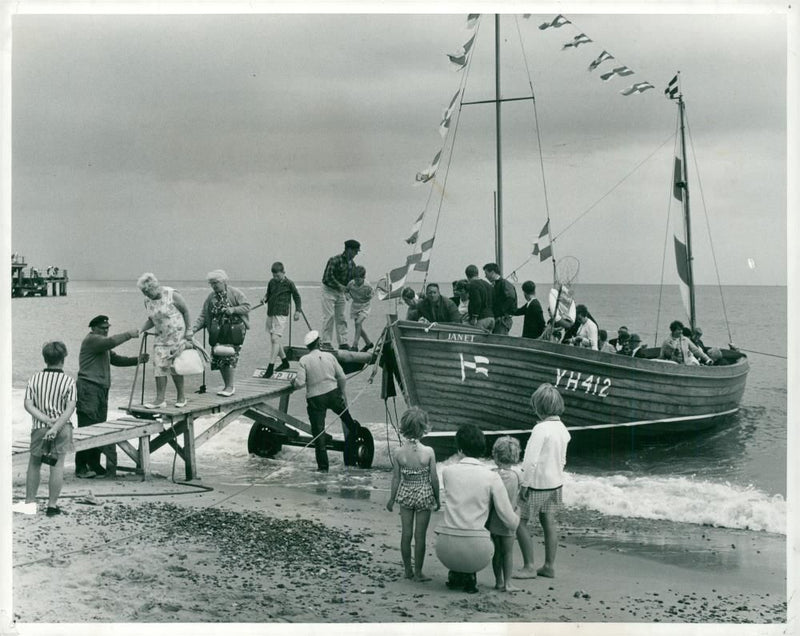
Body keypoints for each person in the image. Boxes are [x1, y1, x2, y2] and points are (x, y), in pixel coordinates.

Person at [435, 423, 519, 594]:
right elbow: (508, 520)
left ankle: (457, 573)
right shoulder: (491, 477)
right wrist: (518, 515)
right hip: (478, 552)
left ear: (459, 449)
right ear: (482, 449)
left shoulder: (447, 472)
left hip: (444, 549)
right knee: (481, 531)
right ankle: (469, 574)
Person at [75, 315, 146, 478]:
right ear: (93, 328)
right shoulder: (93, 340)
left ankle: (94, 464)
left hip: (100, 389)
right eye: (102, 328)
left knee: (98, 427)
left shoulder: (102, 345)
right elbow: (111, 342)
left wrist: (138, 360)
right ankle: (81, 467)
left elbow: (116, 359)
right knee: (87, 428)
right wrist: (129, 334)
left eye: (107, 328)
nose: (106, 331)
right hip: (88, 388)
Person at [12, 342, 77, 516]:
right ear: (63, 358)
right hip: (62, 428)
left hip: (40, 427)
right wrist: (55, 426)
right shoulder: (69, 381)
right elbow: (70, 409)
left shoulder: (35, 378)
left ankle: (30, 503)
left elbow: (28, 404)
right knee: (57, 466)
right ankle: (52, 506)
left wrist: (46, 420)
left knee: (34, 464)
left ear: (45, 358)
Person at [519, 383, 571, 579]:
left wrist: (524, 483)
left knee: (519, 522)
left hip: (537, 484)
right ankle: (549, 566)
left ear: (539, 408)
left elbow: (530, 460)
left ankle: (529, 566)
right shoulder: (563, 429)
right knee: (548, 522)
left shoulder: (540, 429)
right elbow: (563, 460)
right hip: (556, 484)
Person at [292, 330, 360, 471]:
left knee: (319, 434)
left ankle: (323, 469)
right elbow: (341, 377)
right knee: (348, 421)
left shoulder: (304, 360)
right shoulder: (329, 356)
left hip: (316, 399)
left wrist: (293, 382)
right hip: (332, 394)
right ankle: (352, 447)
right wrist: (341, 392)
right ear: (319, 343)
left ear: (307, 347)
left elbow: (299, 383)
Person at [386, 407, 441, 582]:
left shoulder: (398, 452)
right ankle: (418, 572)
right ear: (424, 428)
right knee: (420, 536)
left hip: (406, 492)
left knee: (406, 534)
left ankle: (408, 571)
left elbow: (396, 478)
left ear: (404, 427)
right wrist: (437, 499)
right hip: (424, 494)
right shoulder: (429, 452)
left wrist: (391, 499)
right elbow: (434, 478)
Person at [188, 270, 251, 397]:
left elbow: (247, 306)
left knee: (229, 356)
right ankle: (227, 385)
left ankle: (230, 386)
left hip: (235, 330)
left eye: (216, 282)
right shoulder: (211, 298)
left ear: (224, 281)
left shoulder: (234, 293)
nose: (214, 286)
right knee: (219, 356)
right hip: (218, 331)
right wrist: (192, 330)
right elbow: (204, 316)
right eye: (211, 283)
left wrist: (233, 310)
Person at [136, 273, 192, 408]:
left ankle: (181, 397)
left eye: (147, 291)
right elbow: (152, 319)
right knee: (159, 367)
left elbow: (186, 311)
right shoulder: (147, 300)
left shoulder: (171, 294)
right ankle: (160, 399)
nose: (145, 294)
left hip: (176, 336)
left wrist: (189, 331)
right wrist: (141, 329)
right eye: (143, 291)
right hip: (160, 337)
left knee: (175, 367)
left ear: (154, 287)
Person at [487, 436, 523, 593]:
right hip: (509, 517)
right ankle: (508, 583)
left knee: (496, 552)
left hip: (493, 517)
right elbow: (521, 495)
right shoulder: (516, 476)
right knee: (508, 552)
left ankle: (499, 581)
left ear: (495, 455)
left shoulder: (491, 474)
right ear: (515, 456)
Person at [261, 261, 302, 378]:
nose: (276, 278)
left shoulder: (289, 283)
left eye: (278, 276)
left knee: (275, 339)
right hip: (270, 313)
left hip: (281, 314)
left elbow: (297, 297)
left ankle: (270, 368)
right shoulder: (271, 282)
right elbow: (268, 294)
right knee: (275, 341)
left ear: (284, 272)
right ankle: (285, 362)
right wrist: (264, 299)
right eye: (274, 276)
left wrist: (297, 311)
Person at [321, 239, 360, 350]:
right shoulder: (334, 260)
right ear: (349, 250)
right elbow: (327, 277)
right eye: (355, 251)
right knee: (329, 316)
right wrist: (340, 286)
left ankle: (343, 342)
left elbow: (351, 281)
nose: (356, 254)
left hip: (341, 292)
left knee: (341, 317)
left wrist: (352, 292)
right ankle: (326, 342)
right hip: (328, 290)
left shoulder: (352, 264)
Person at [345, 265, 374, 352]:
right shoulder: (351, 283)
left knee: (358, 323)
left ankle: (355, 345)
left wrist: (368, 297)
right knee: (358, 326)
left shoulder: (367, 286)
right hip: (355, 305)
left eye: (358, 279)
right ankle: (368, 343)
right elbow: (346, 290)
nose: (356, 281)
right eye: (355, 279)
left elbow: (372, 294)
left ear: (363, 277)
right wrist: (348, 296)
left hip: (365, 305)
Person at [483, 263, 517, 335]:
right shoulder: (495, 285)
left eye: (486, 273)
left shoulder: (504, 283)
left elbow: (511, 298)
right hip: (497, 319)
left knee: (499, 339)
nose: (485, 276)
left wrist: (501, 313)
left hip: (503, 319)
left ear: (492, 272)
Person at [464, 264, 495, 332]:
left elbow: (477, 302)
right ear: (477, 273)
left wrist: (474, 317)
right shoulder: (488, 284)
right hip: (491, 318)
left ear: (467, 275)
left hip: (481, 318)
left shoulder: (473, 284)